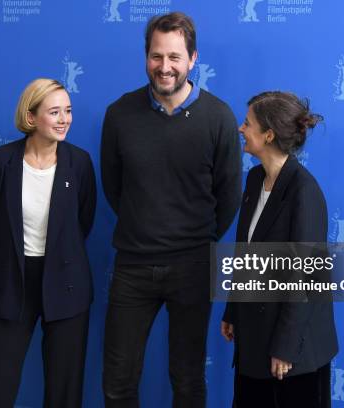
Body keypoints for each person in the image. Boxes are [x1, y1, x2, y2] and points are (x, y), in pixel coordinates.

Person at [100, 11, 242, 408]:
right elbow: (114, 187)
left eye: (175, 57)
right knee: (118, 383)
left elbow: (229, 195)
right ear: (146, 56)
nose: (165, 67)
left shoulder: (218, 117)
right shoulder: (119, 115)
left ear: (193, 59)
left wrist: (196, 237)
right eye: (157, 56)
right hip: (132, 265)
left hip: (192, 266)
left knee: (188, 380)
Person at [0, 78, 96, 408]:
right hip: (13, 281)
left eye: (68, 111)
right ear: (31, 118)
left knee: (64, 392)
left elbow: (81, 222)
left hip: (67, 282)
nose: (64, 119)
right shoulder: (2, 161)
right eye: (54, 112)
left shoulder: (80, 163)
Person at [221, 91, 338, 408]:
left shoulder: (304, 192)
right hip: (254, 340)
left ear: (268, 135)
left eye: (247, 123)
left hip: (294, 354)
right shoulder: (255, 179)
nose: (240, 128)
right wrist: (233, 310)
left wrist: (286, 347)